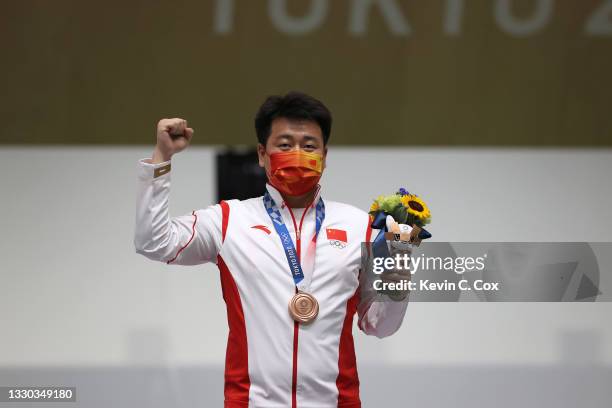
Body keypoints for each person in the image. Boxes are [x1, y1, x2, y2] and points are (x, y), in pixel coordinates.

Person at [134, 91, 410, 408]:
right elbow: (153, 241)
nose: (297, 153)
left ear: (325, 155)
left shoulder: (361, 225)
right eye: (284, 145)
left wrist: (398, 280)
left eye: (309, 146)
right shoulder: (229, 221)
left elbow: (380, 325)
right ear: (262, 154)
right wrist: (161, 158)